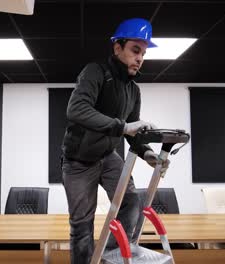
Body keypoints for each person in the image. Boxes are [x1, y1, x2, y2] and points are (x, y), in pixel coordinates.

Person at [61, 18, 169, 264]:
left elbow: (133, 133)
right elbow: (77, 110)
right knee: (81, 224)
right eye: (135, 50)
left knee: (131, 202)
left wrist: (148, 154)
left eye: (143, 52)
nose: (140, 58)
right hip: (78, 161)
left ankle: (108, 258)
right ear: (117, 48)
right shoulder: (95, 72)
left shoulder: (133, 90)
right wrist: (122, 126)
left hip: (108, 156)